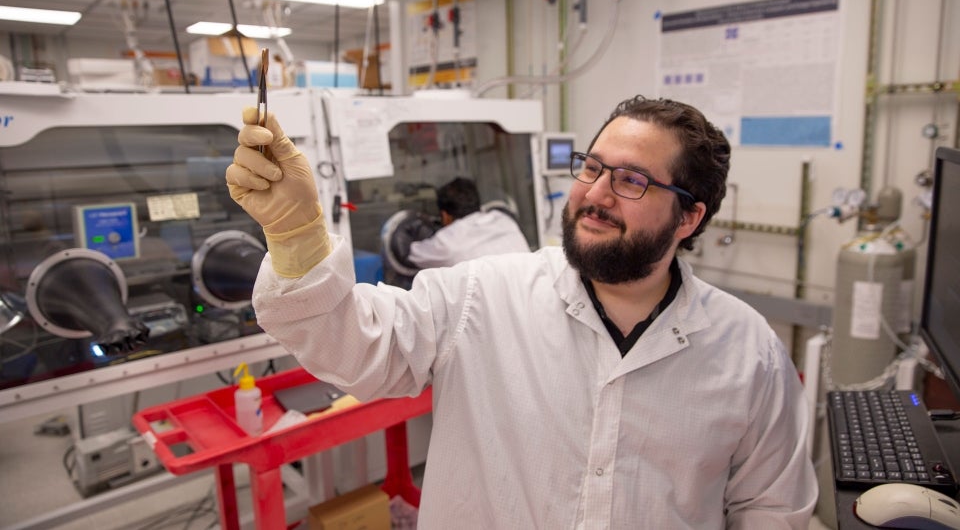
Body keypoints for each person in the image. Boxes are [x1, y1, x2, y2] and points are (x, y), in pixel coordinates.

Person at [226, 95, 817, 528]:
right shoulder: (479, 297)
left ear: (689, 217)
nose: (596, 193)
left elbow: (771, 507)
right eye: (592, 167)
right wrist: (298, 235)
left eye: (632, 180)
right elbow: (354, 346)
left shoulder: (749, 350)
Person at [405, 177, 530, 269]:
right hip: (532, 300)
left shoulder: (447, 243)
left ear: (445, 216)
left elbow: (411, 253)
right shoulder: (504, 221)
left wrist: (419, 232)